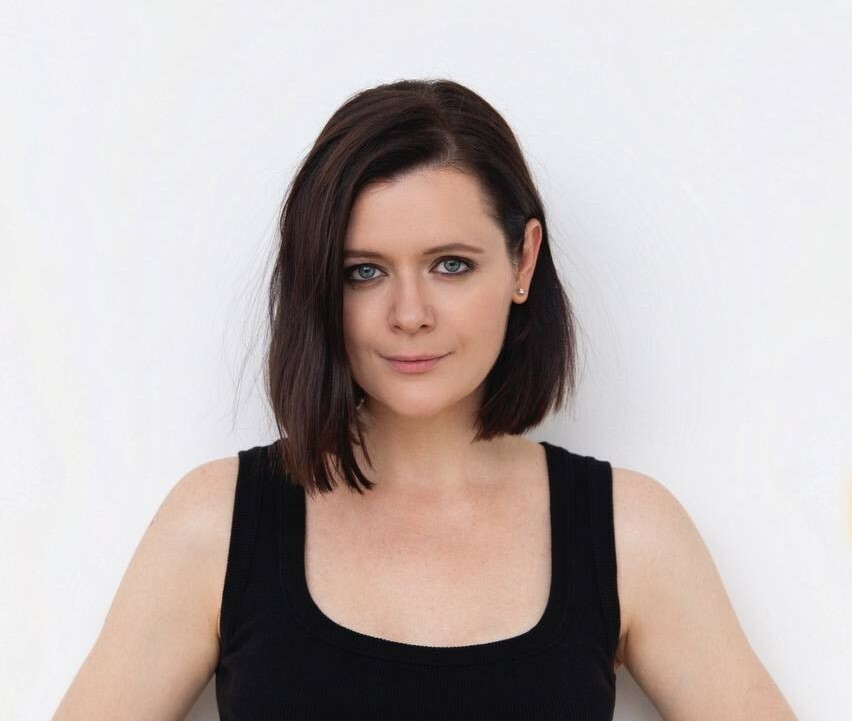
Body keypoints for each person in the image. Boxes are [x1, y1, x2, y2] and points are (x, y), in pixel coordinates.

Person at [52, 79, 799, 720]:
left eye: (450, 264)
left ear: (523, 261)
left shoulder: (630, 532)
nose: (409, 314)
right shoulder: (216, 524)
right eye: (364, 271)